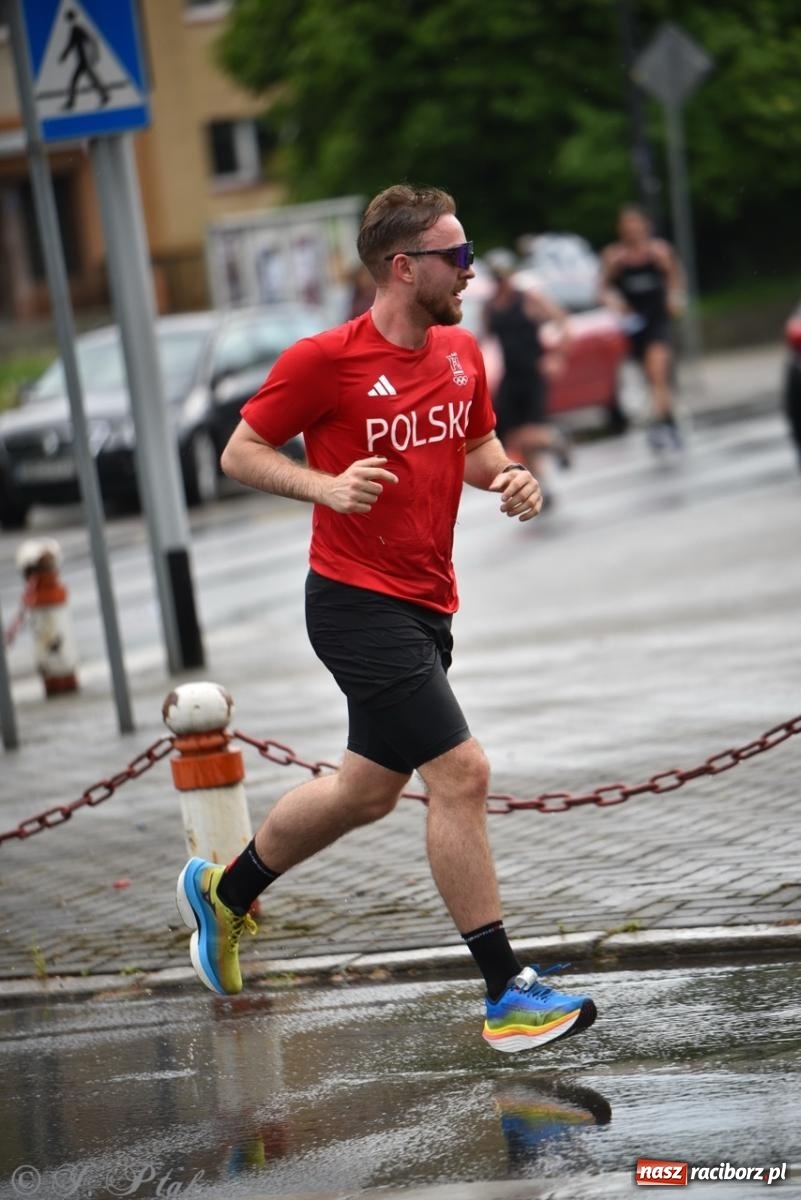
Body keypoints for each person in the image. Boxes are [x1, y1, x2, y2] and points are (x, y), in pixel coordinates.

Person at [175, 184, 597, 1054]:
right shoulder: (323, 360)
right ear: (403, 268)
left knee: (365, 793)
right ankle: (505, 990)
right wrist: (323, 487)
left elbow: (474, 446)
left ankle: (225, 892)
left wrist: (510, 474)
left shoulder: (460, 353)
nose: (471, 271)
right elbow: (240, 452)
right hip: (353, 602)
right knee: (461, 773)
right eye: (457, 256)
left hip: (426, 602)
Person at [484, 249, 572, 505]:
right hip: (510, 375)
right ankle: (542, 484)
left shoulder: (528, 299)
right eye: (497, 277)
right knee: (513, 435)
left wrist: (557, 357)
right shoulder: (491, 306)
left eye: (504, 276)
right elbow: (484, 338)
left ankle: (555, 440)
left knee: (528, 431)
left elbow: (562, 321)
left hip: (532, 373)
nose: (501, 281)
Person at [600, 205, 685, 450]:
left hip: (658, 321)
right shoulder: (615, 257)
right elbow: (602, 290)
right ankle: (669, 421)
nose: (633, 232)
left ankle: (659, 425)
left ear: (645, 226)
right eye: (627, 227)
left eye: (636, 226)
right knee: (651, 377)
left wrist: (674, 298)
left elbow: (675, 278)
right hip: (634, 325)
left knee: (656, 371)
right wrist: (615, 304)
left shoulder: (658, 252)